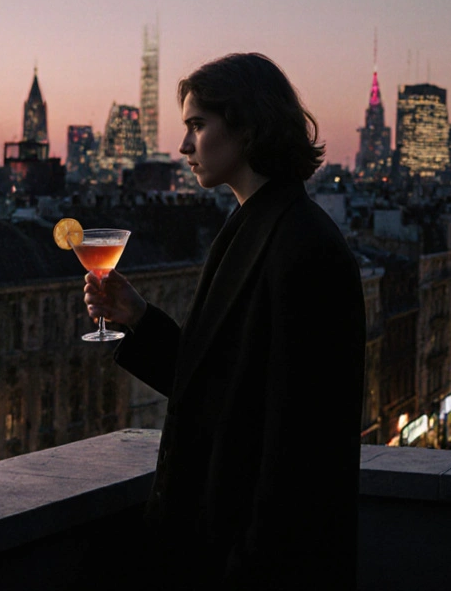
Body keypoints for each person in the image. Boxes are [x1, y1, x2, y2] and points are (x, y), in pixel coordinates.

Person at [83, 53, 365, 590]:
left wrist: (249, 567)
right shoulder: (255, 225)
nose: (184, 146)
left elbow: (298, 444)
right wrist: (139, 318)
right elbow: (225, 389)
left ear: (248, 126)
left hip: (253, 561)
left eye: (197, 125)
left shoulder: (303, 247)